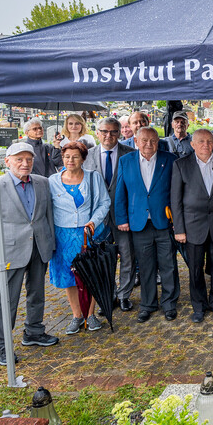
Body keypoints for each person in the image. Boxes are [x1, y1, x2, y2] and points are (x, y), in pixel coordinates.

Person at [0, 143, 59, 366]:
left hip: (38, 248)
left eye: (29, 160)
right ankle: (2, 346)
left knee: (37, 294)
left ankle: (33, 332)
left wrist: (50, 244)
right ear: (7, 161)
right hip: (10, 251)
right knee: (7, 300)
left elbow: (46, 216)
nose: (25, 164)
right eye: (19, 159)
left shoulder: (42, 183)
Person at [114, 127, 180, 323]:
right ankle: (148, 304)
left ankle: (169, 304)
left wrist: (177, 221)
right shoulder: (126, 161)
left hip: (164, 221)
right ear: (136, 141)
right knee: (145, 266)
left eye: (153, 140)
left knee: (168, 265)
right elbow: (120, 192)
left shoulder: (170, 160)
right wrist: (122, 219)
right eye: (144, 140)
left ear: (158, 141)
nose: (149, 144)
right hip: (138, 223)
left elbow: (176, 192)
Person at [171, 130, 213, 323]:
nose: (206, 145)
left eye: (209, 141)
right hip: (193, 225)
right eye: (201, 141)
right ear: (193, 144)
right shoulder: (181, 164)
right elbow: (175, 200)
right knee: (195, 269)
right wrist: (179, 229)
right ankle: (198, 306)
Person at [48, 142, 111, 334]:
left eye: (75, 157)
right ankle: (77, 315)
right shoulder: (52, 181)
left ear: (83, 158)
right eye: (67, 156)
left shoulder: (93, 177)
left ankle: (90, 315)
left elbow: (104, 202)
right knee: (69, 277)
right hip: (63, 236)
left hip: (88, 234)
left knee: (89, 274)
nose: (70, 160)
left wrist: (94, 220)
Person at [83, 117, 137, 311]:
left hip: (123, 217)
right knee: (102, 259)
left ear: (120, 133)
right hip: (96, 220)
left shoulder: (131, 154)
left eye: (114, 131)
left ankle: (123, 295)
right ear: (97, 133)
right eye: (104, 131)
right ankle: (108, 293)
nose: (109, 135)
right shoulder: (86, 156)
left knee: (128, 256)